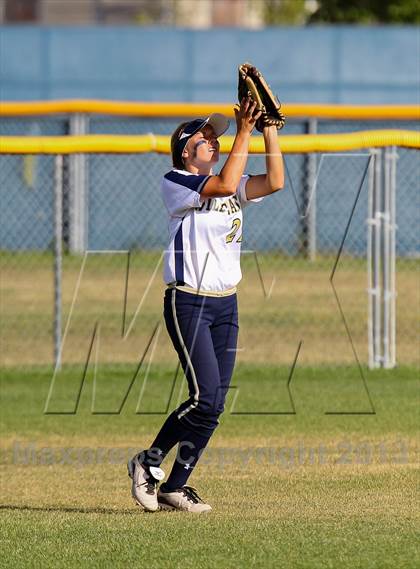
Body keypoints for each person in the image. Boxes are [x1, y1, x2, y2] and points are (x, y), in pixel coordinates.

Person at [128, 97, 284, 513]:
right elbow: (221, 186)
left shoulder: (227, 181)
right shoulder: (176, 181)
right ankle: (147, 463)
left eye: (218, 138)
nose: (215, 142)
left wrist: (268, 128)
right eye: (207, 138)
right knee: (203, 397)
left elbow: (275, 181)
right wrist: (245, 132)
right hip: (188, 301)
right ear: (185, 151)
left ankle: (175, 487)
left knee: (214, 405)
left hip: (225, 305)